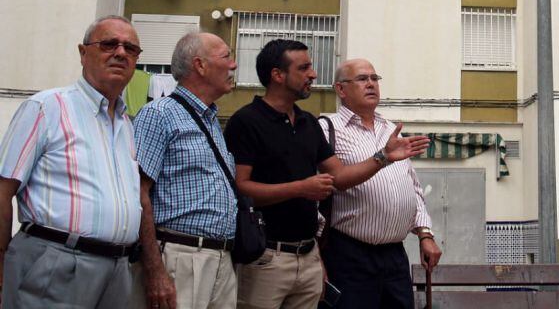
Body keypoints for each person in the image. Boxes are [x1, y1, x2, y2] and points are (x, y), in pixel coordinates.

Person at [223, 40, 429, 309]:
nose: (313, 74)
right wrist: (300, 188)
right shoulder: (247, 121)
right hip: (268, 256)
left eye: (374, 78)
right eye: (305, 67)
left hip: (309, 256)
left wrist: (384, 157)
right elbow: (239, 189)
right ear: (278, 75)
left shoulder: (307, 122)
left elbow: (339, 177)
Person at [0, 15, 143, 307]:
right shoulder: (46, 107)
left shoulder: (126, 124)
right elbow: (3, 190)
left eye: (130, 49)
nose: (120, 53)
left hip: (117, 269)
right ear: (83, 52)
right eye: (109, 44)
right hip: (56, 261)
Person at [320, 59, 442, 309]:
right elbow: (318, 189)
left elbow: (412, 188)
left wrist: (425, 234)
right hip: (349, 254)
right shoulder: (327, 129)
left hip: (394, 255)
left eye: (375, 79)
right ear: (341, 89)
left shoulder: (391, 129)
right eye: (362, 79)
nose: (371, 84)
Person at [133, 32, 240, 309]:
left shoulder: (212, 120)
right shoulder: (159, 113)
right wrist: (155, 270)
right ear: (200, 66)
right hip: (180, 257)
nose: (234, 65)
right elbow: (139, 193)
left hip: (221, 258)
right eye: (226, 56)